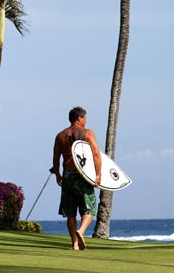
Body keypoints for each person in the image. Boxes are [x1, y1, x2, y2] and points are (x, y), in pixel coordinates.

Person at [53, 106, 102, 250]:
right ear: (79, 118)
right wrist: (98, 175)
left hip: (67, 175)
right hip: (83, 175)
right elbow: (96, 154)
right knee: (90, 208)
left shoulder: (60, 135)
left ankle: (74, 243)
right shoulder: (87, 133)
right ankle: (80, 231)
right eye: (85, 117)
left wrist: (57, 174)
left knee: (70, 212)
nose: (86, 120)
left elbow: (56, 158)